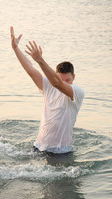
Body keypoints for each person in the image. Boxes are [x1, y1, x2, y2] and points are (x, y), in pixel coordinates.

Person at [10, 26, 84, 154]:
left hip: (61, 152)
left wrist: (40, 60)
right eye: (61, 79)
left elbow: (57, 83)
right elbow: (30, 69)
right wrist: (15, 48)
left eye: (67, 80)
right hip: (39, 147)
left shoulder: (77, 92)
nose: (64, 83)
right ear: (55, 75)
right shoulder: (49, 85)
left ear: (74, 78)